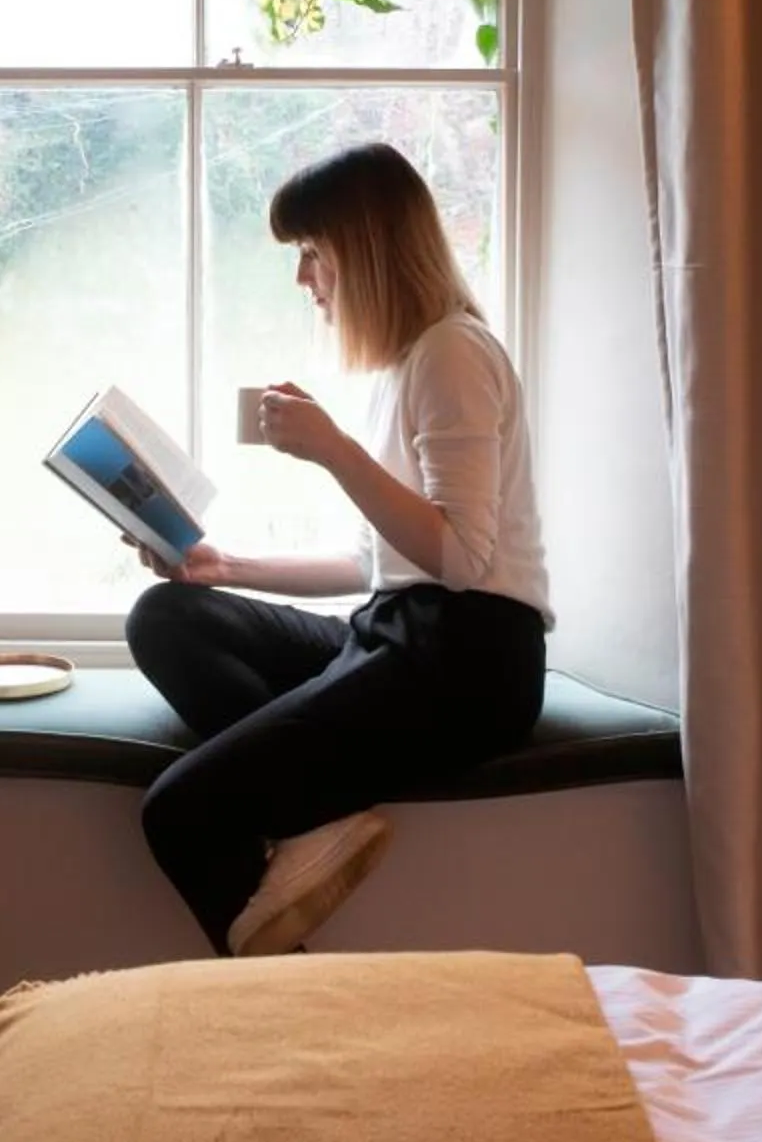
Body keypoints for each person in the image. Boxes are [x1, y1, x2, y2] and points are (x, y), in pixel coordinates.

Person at [123, 141, 549, 957]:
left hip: (466, 660)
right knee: (168, 615)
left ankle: (298, 1013)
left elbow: (460, 560)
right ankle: (315, 818)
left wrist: (333, 450)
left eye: (313, 254)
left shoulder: (453, 354)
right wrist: (226, 568)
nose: (303, 280)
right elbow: (374, 565)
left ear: (365, 252)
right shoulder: (407, 364)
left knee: (177, 811)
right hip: (400, 629)